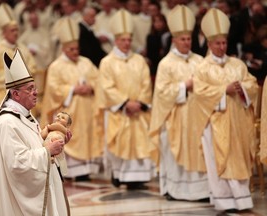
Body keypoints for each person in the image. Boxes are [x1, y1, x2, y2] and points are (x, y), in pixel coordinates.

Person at [190, 8, 258, 213]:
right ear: (209, 44)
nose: (222, 46)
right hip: (215, 122)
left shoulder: (237, 64)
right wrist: (223, 91)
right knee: (219, 161)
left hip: (238, 121)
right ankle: (225, 201)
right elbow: (200, 93)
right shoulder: (202, 67)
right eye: (217, 43)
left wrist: (243, 89)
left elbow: (252, 85)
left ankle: (243, 200)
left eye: (224, 42)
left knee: (239, 159)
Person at [0, 49, 71, 216]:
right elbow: (17, 164)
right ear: (16, 94)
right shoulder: (7, 122)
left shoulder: (24, 115)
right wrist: (48, 151)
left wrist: (55, 142)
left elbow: (35, 145)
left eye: (35, 88)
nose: (35, 93)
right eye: (30, 89)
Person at [149, 5, 209, 202]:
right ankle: (175, 190)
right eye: (182, 39)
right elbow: (162, 93)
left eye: (189, 38)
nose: (186, 42)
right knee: (174, 152)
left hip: (198, 118)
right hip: (174, 118)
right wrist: (185, 86)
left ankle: (201, 191)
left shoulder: (200, 61)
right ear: (174, 40)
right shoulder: (166, 64)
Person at [97, 9, 157, 190]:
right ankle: (119, 175)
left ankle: (138, 178)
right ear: (116, 40)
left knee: (140, 142)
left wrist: (139, 103)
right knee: (120, 143)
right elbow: (106, 87)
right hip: (119, 111)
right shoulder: (107, 62)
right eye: (123, 40)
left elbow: (146, 83)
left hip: (137, 111)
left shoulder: (139, 60)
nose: (126, 43)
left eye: (129, 40)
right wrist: (125, 103)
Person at [40, 17, 102, 182]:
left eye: (77, 49)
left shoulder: (86, 62)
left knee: (86, 137)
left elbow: (98, 79)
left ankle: (85, 171)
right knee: (67, 136)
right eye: (72, 49)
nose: (76, 52)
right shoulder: (56, 66)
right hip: (68, 113)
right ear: (64, 48)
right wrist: (73, 89)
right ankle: (67, 170)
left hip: (86, 110)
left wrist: (91, 86)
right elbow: (53, 89)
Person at [0, 3, 37, 141]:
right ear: (4, 32)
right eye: (12, 30)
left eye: (17, 30)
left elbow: (33, 67)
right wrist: (15, 81)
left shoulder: (23, 49)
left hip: (24, 96)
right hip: (4, 96)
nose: (16, 33)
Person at [41, 111, 72, 177]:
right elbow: (43, 136)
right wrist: (45, 130)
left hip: (57, 140)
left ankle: (52, 157)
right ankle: (50, 157)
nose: (59, 118)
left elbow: (56, 126)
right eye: (58, 116)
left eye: (63, 118)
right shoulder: (51, 127)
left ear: (68, 124)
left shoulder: (63, 128)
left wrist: (48, 127)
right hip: (48, 141)